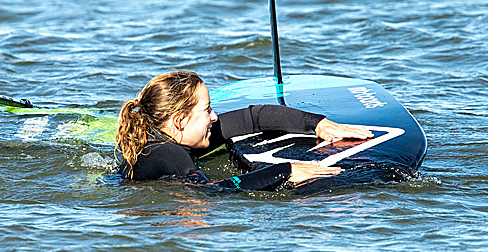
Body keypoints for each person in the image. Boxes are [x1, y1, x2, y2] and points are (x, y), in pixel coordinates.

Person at [115, 71, 374, 191]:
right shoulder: (169, 153)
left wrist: (317, 123)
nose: (214, 117)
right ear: (180, 121)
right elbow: (214, 190)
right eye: (207, 110)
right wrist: (285, 170)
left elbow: (254, 117)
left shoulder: (165, 136)